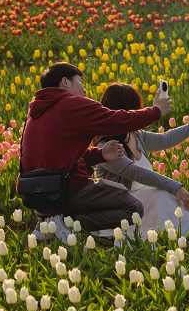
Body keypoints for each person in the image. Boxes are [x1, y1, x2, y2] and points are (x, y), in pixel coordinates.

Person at [20, 61, 173, 237]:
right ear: (65, 82)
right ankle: (67, 223)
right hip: (64, 190)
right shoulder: (73, 104)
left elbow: (57, 157)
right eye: (81, 82)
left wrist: (100, 154)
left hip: (35, 196)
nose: (85, 90)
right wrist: (155, 111)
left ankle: (51, 221)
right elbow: (116, 120)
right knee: (134, 207)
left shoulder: (35, 111)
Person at [94, 84, 189, 242]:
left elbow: (165, 139)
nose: (141, 114)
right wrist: (175, 186)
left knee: (166, 195)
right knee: (162, 194)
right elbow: (136, 172)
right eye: (137, 109)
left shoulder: (135, 135)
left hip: (145, 204)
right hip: (120, 215)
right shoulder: (106, 149)